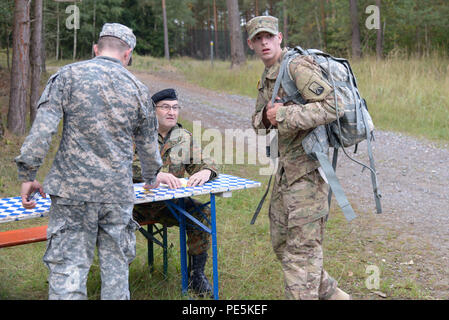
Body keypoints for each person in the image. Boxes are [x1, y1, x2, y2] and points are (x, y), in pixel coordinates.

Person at [15, 23, 162, 300]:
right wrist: (152, 177)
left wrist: (28, 174)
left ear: (96, 49)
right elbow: (148, 146)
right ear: (127, 54)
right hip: (116, 195)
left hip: (72, 193)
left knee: (69, 272)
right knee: (117, 272)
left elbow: (42, 131)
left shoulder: (67, 76)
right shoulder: (139, 89)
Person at [246, 16, 351, 300]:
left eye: (269, 36)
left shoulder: (296, 67)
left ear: (279, 37)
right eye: (258, 38)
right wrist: (267, 118)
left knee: (300, 253)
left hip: (309, 173)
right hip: (285, 173)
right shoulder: (268, 75)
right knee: (281, 243)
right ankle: (331, 294)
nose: (264, 42)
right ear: (251, 44)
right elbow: (258, 122)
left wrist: (283, 115)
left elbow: (336, 105)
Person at [132, 88, 219, 297]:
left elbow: (206, 162)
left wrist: (207, 171)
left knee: (201, 214)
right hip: (134, 207)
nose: (171, 112)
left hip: (169, 206)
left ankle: (196, 275)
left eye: (175, 107)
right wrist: (154, 174)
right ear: (152, 111)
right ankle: (115, 279)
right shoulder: (137, 134)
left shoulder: (183, 137)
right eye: (165, 107)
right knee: (109, 224)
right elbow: (121, 166)